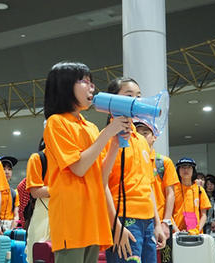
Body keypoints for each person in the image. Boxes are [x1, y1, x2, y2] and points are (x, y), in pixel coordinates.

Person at [43, 62, 131, 263]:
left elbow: (101, 176)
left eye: (91, 83)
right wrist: (108, 132)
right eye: (84, 81)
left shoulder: (90, 127)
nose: (92, 87)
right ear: (64, 86)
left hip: (92, 218)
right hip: (71, 220)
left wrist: (115, 143)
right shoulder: (56, 122)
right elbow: (79, 168)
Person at [104, 77, 166, 263]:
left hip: (147, 221)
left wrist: (156, 224)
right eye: (129, 95)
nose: (136, 101)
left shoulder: (141, 141)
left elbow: (148, 185)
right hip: (124, 219)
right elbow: (101, 183)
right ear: (112, 100)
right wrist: (116, 225)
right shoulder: (106, 139)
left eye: (138, 96)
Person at [133, 120, 179, 239]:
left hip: (160, 221)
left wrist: (166, 222)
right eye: (137, 134)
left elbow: (170, 194)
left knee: (163, 256)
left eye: (145, 133)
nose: (141, 137)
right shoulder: (132, 161)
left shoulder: (163, 162)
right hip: (137, 219)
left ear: (154, 137)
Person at [25, 138, 50, 263]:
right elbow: (35, 191)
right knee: (39, 253)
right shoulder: (38, 158)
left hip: (68, 211)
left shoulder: (71, 158)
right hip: (43, 212)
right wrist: (64, 189)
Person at [172, 158, 211, 234]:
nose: (186, 170)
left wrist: (197, 230)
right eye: (183, 167)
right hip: (176, 234)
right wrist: (177, 231)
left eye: (189, 167)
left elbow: (204, 215)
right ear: (178, 170)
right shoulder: (173, 190)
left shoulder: (199, 189)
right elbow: (169, 214)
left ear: (193, 170)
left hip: (196, 234)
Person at [0, 156, 20, 231]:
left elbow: (16, 215)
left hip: (10, 226)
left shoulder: (14, 193)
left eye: (9, 169)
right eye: (3, 169)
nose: (7, 172)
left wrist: (11, 230)